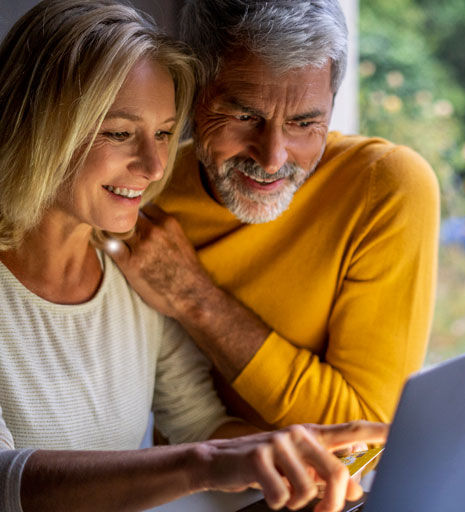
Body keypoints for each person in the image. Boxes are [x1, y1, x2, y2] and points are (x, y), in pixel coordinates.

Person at [0, 2, 386, 511]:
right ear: (37, 125)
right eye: (119, 132)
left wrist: (303, 464)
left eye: (163, 133)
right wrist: (202, 462)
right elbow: (5, 480)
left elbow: (197, 420)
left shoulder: (133, 264)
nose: (156, 164)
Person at [112, 0, 441, 429]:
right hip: (198, 486)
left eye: (304, 123)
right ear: (193, 93)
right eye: (245, 116)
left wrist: (195, 298)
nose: (271, 158)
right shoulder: (139, 188)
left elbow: (365, 432)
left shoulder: (384, 187)